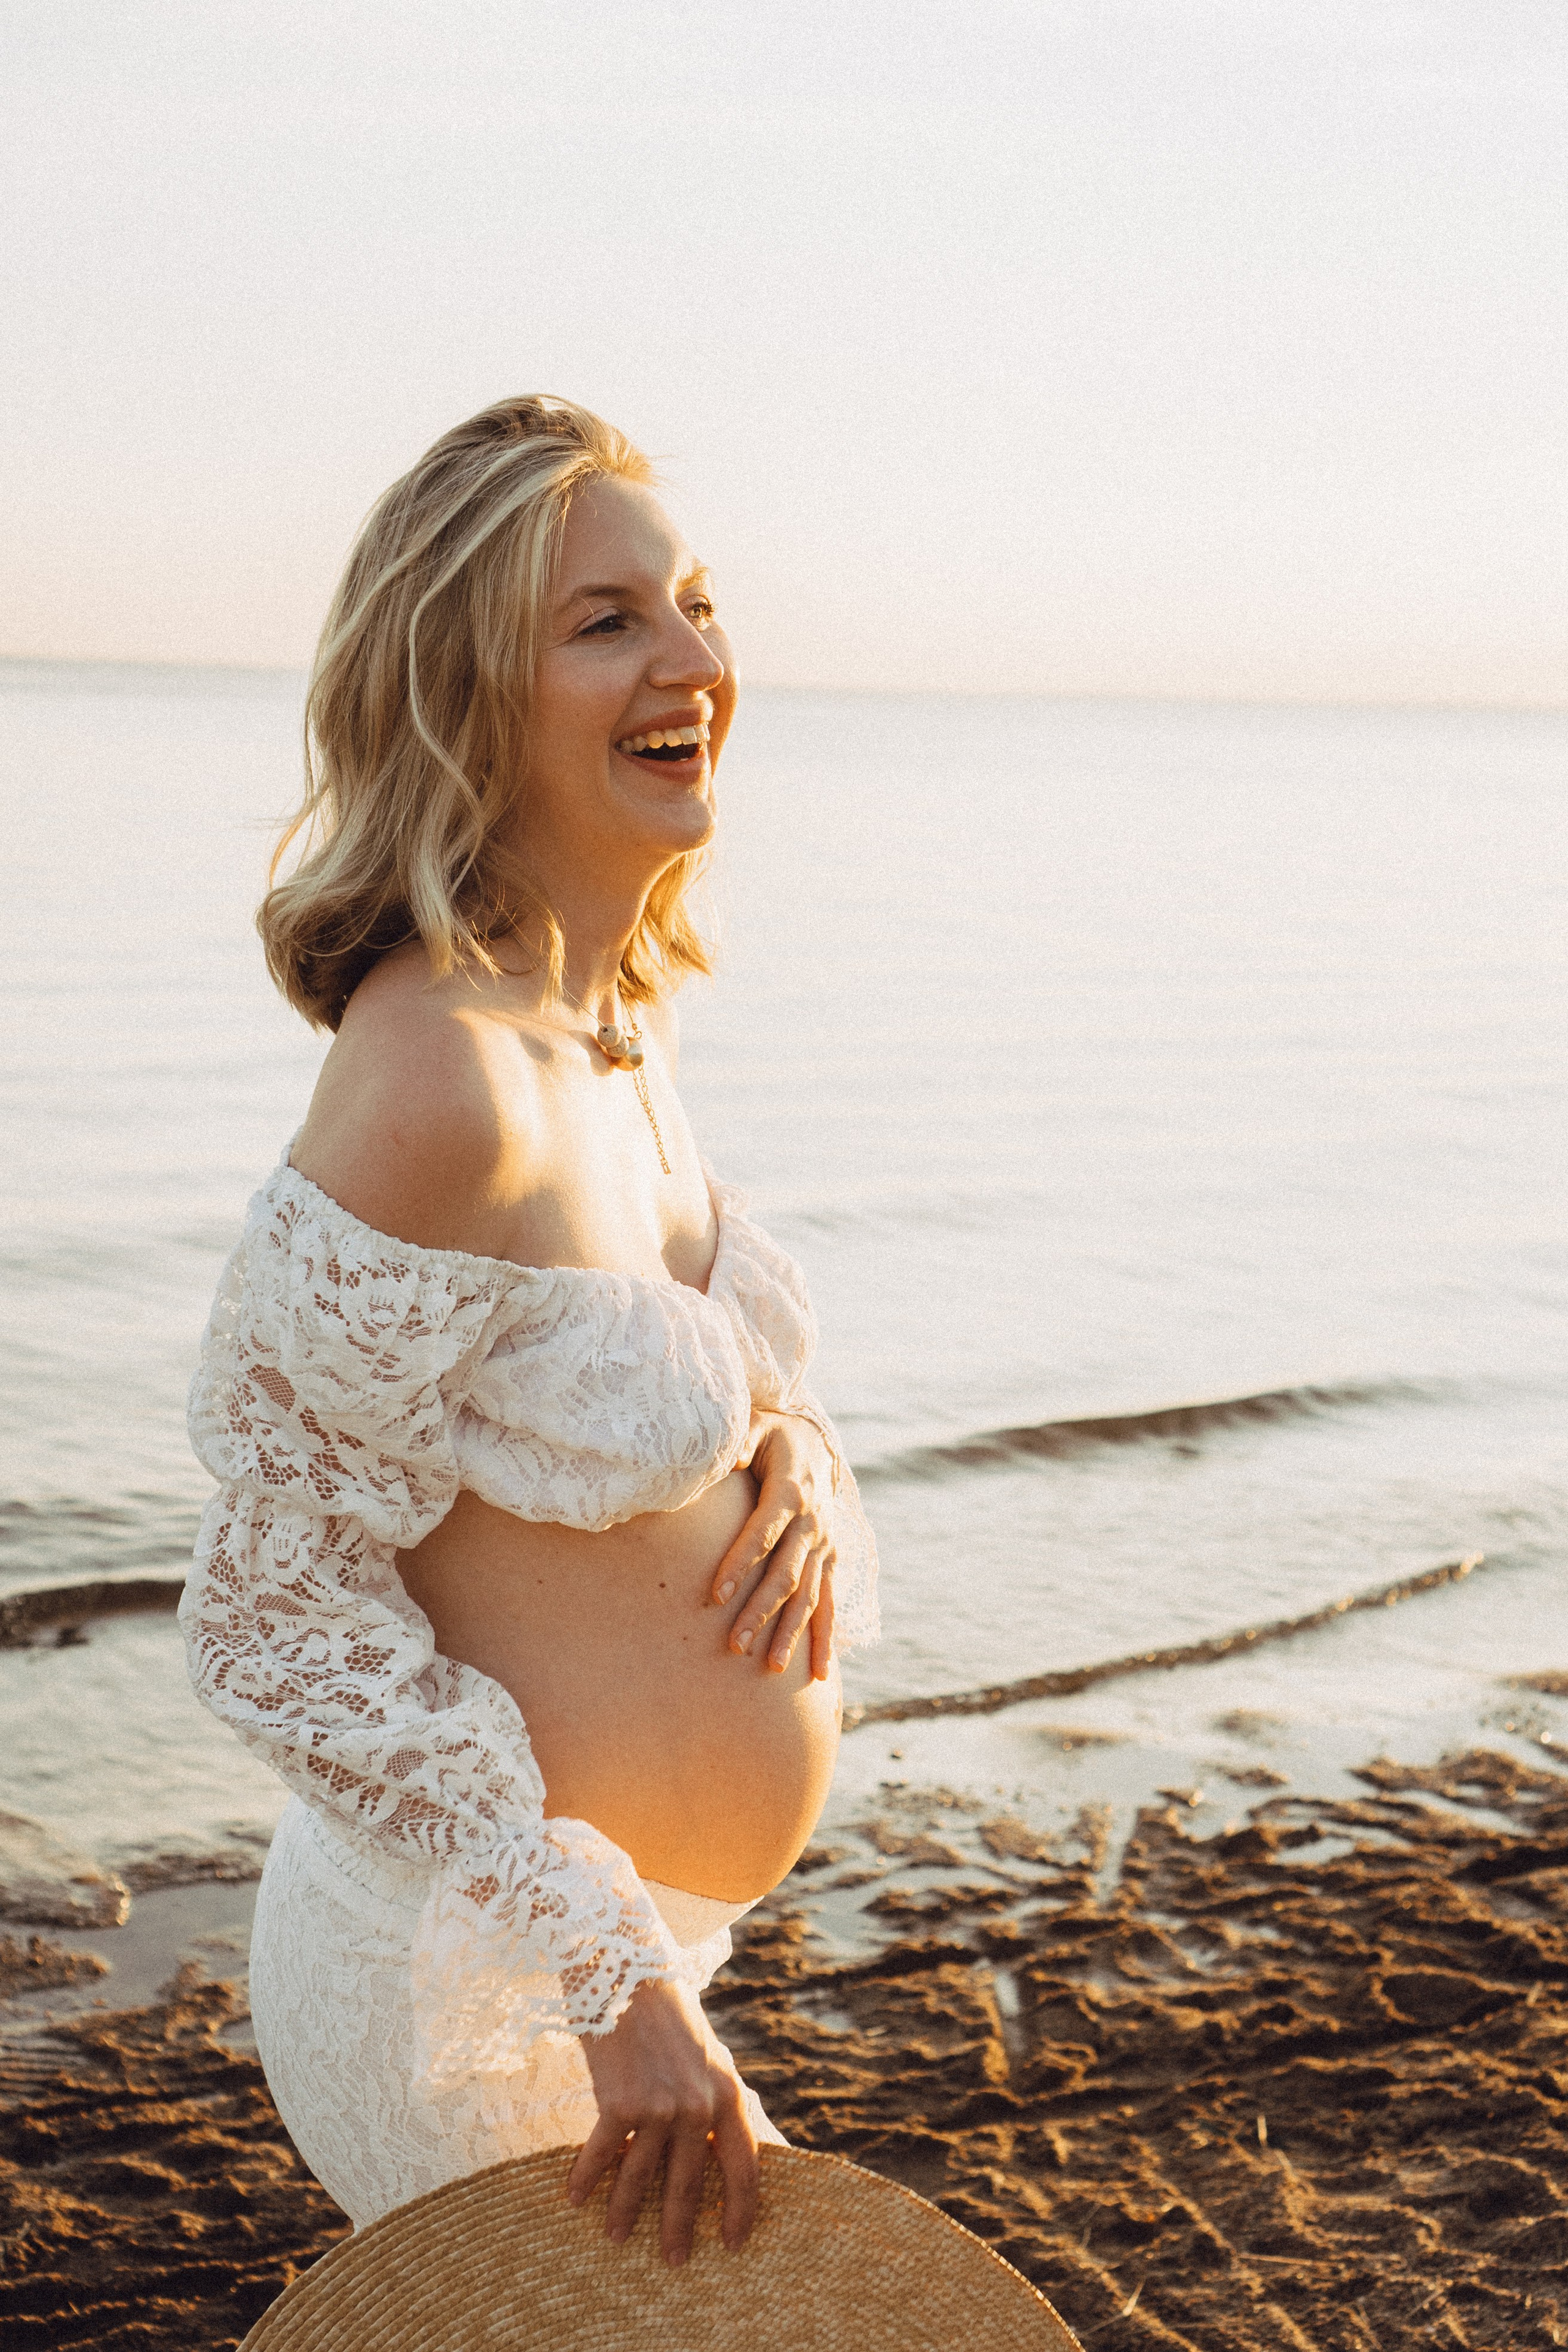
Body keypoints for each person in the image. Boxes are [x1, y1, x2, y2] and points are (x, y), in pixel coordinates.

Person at [181, 396, 878, 2266]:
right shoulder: (439, 1081)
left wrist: (785, 1454)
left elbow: (623, 1386)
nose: (692, 661)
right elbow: (278, 1612)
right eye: (607, 621)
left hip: (621, 1956)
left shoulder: (619, 1025)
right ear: (465, 698)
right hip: (485, 1984)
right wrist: (607, 1977)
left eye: (696, 602)